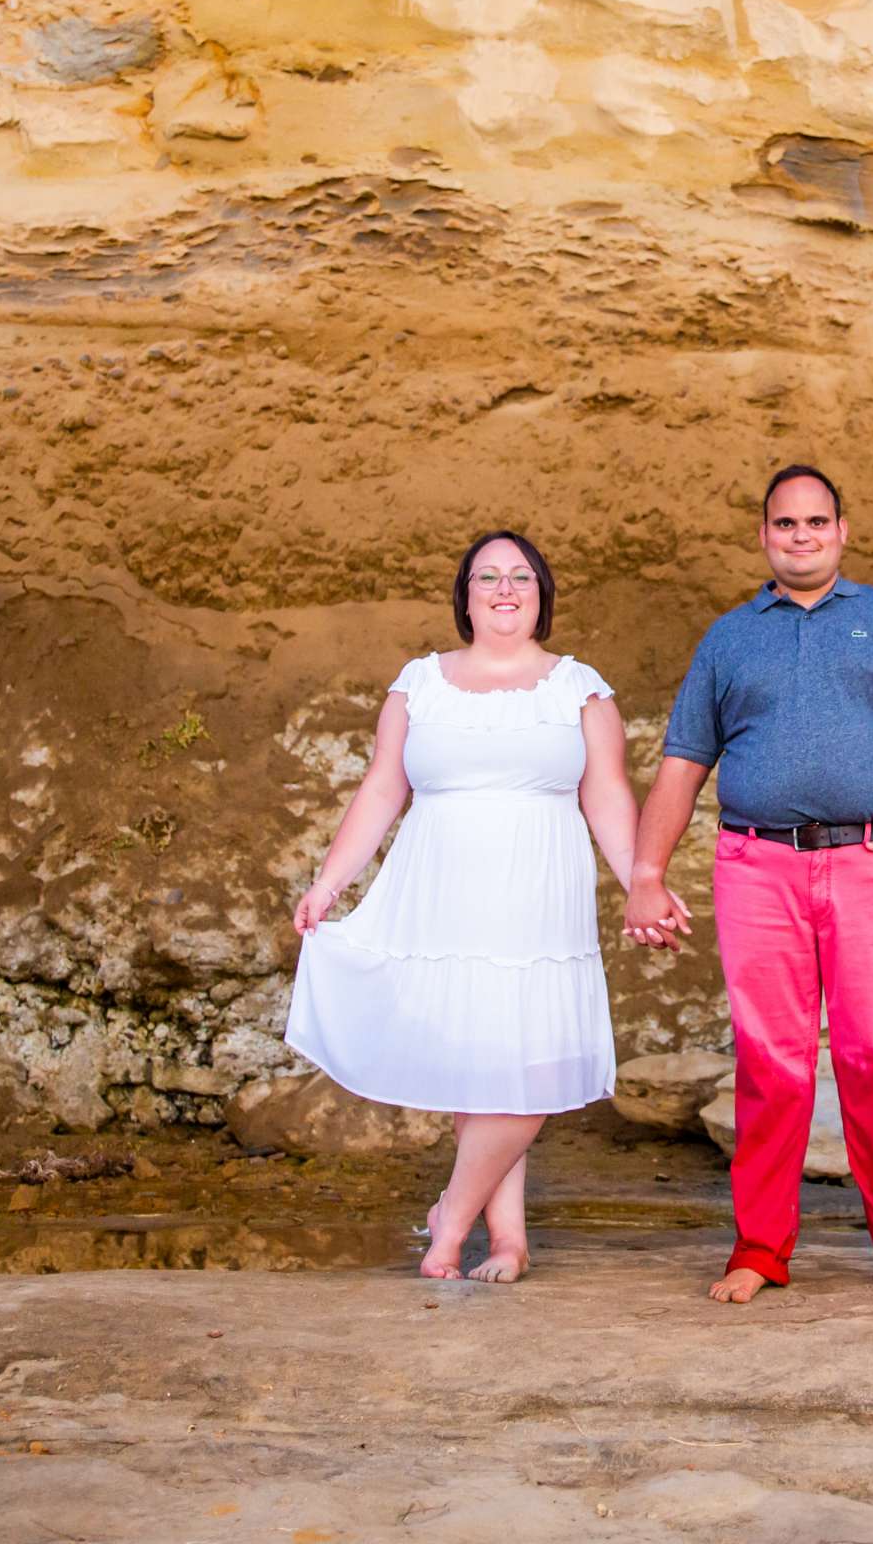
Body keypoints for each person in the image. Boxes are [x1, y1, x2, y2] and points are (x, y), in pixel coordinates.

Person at [286, 529, 690, 1283]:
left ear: (542, 595)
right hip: (441, 894)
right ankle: (508, 1239)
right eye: (487, 578)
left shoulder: (579, 688)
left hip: (538, 899)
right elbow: (382, 787)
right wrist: (329, 882)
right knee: (482, 1068)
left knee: (525, 1068)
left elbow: (604, 793)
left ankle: (450, 1222)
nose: (505, 590)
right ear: (465, 596)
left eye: (520, 579)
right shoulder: (419, 683)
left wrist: (643, 880)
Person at [622, 465, 873, 1302]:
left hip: (868, 864)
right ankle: (760, 1250)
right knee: (770, 1062)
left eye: (817, 522)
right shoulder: (729, 638)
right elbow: (683, 765)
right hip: (757, 868)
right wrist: (646, 873)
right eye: (786, 524)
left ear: (842, 532)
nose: (802, 536)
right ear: (764, 537)